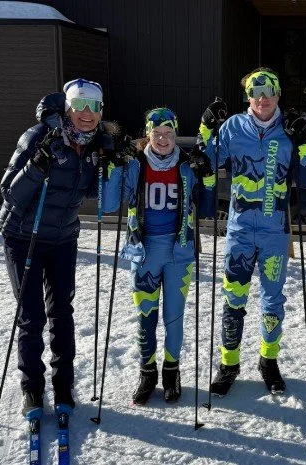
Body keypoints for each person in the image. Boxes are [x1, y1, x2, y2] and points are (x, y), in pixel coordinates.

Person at [0, 78, 125, 416]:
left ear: (101, 112)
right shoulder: (39, 136)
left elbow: (99, 197)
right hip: (23, 235)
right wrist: (36, 166)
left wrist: (114, 164)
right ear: (68, 109)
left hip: (63, 237)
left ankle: (63, 384)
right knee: (31, 316)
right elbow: (9, 192)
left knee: (62, 313)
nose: (86, 114)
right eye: (79, 106)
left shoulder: (97, 145)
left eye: (93, 107)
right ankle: (32, 388)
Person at [195, 67, 306, 396]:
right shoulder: (233, 126)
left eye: (269, 91)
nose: (263, 98)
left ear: (278, 94)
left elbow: (305, 180)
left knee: (273, 299)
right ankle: (228, 364)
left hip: (274, 232)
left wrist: (305, 142)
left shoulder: (288, 130)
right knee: (233, 298)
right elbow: (207, 161)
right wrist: (207, 127)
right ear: (248, 96)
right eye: (256, 92)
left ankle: (268, 361)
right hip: (239, 230)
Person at [103, 108, 214, 405]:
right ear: (147, 134)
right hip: (145, 252)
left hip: (179, 252)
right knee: (146, 317)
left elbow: (206, 208)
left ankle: (171, 372)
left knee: (173, 317)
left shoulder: (186, 165)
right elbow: (110, 204)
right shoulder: (135, 165)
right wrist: (114, 164)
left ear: (176, 134)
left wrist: (207, 174)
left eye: (168, 133)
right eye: (157, 133)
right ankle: (147, 372)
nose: (163, 139)